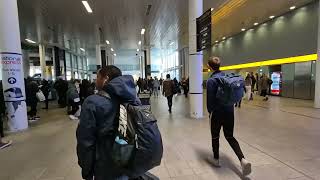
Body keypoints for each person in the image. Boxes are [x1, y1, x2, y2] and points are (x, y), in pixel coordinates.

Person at [76, 66, 142, 180]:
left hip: (105, 167)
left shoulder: (92, 102)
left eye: (97, 77)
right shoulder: (133, 99)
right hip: (129, 160)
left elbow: (86, 142)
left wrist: (87, 171)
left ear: (105, 78)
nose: (95, 80)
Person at [206, 57, 251, 176]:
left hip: (216, 113)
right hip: (230, 111)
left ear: (210, 67)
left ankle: (216, 159)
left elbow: (210, 101)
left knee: (215, 136)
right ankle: (242, 160)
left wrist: (210, 112)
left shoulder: (211, 81)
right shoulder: (226, 77)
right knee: (230, 136)